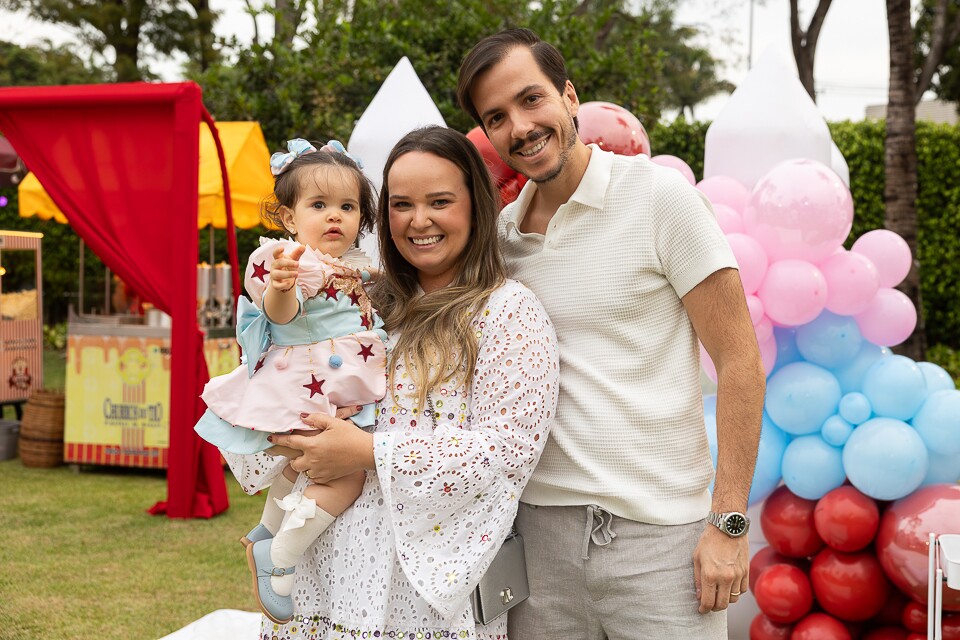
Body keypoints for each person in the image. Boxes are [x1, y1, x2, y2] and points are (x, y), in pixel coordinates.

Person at [454, 28, 766, 639]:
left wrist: (729, 523)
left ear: (569, 96)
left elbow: (739, 362)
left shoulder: (660, 199)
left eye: (531, 99)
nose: (519, 126)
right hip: (537, 547)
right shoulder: (501, 243)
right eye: (497, 117)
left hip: (662, 548)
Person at [222, 125, 560, 639]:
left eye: (440, 201)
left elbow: (509, 449)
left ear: (476, 206)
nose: (419, 220)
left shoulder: (507, 310)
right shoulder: (362, 301)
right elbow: (279, 381)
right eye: (402, 204)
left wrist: (366, 453)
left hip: (423, 584)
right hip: (325, 571)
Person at [194, 138, 388, 624]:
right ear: (287, 216)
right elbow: (281, 312)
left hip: (332, 388)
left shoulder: (354, 266)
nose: (334, 216)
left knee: (301, 466)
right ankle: (278, 557)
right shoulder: (288, 259)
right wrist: (280, 288)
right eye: (318, 205)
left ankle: (266, 529)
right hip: (307, 386)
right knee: (343, 477)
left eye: (347, 206)